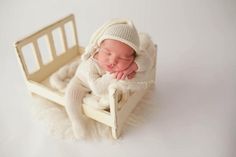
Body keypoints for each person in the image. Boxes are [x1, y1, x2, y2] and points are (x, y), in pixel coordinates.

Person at [65, 18, 155, 139]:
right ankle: (76, 120)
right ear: (99, 47)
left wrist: (132, 67)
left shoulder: (134, 56)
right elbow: (97, 89)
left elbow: (146, 61)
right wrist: (114, 75)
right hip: (82, 81)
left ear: (133, 56)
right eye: (108, 53)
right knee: (70, 97)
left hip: (100, 80)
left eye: (123, 58)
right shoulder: (92, 64)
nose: (113, 61)